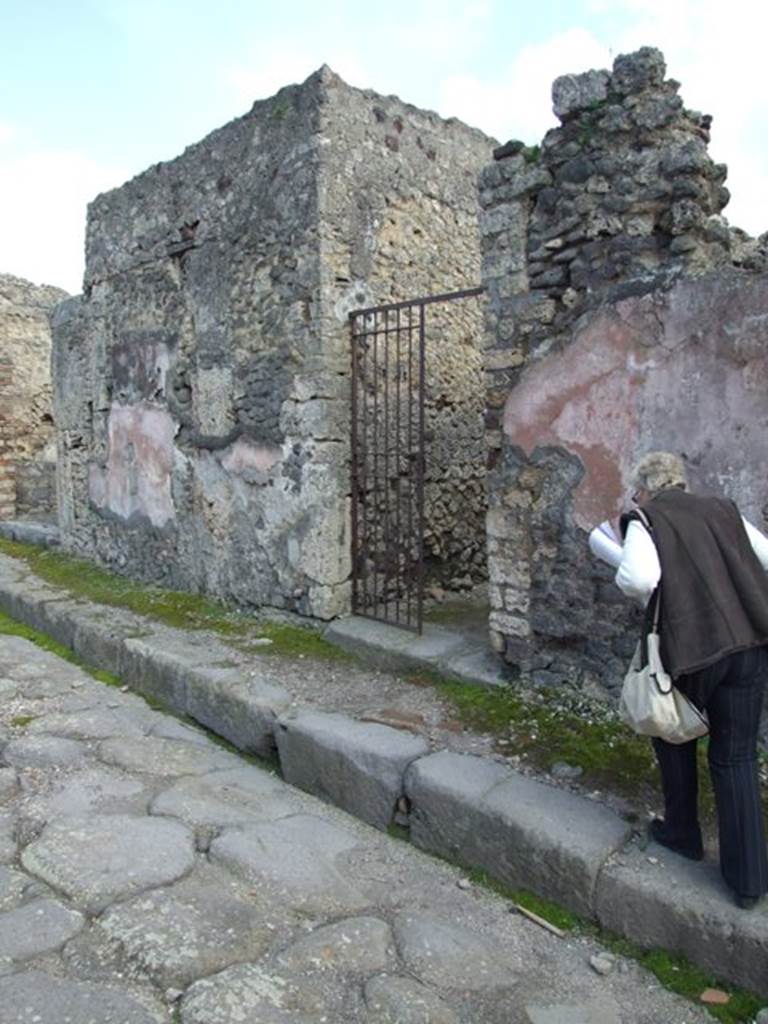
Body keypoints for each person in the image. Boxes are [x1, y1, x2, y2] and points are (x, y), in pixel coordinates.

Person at [615, 451, 768, 910]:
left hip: (696, 649)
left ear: (644, 488)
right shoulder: (723, 508)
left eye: (634, 492)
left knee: (672, 731)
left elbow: (639, 578)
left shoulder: (645, 517)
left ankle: (682, 833)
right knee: (736, 756)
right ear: (680, 483)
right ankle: (749, 880)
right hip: (750, 645)